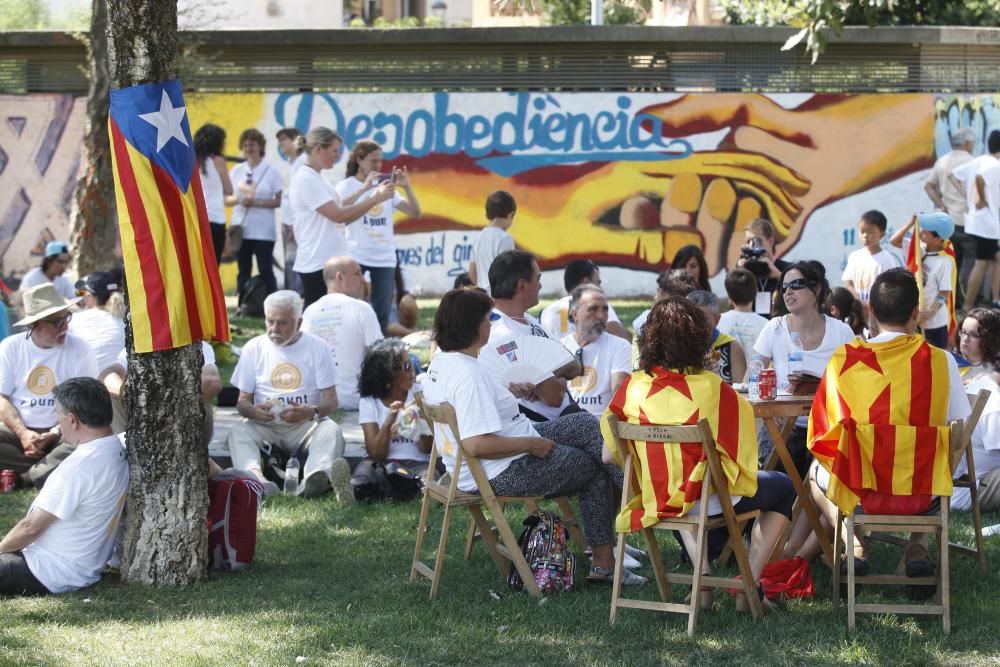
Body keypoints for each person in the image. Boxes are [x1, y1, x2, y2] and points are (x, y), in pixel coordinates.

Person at [423, 288, 644, 585]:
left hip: (495, 455)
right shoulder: (468, 376)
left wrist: (511, 392)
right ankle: (614, 546)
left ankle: (635, 491)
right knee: (593, 468)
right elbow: (476, 444)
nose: (492, 324)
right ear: (474, 326)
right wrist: (532, 444)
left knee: (582, 424)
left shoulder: (442, 363)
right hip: (501, 468)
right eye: (487, 319)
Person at [601, 296, 794, 611]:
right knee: (783, 487)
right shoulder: (713, 388)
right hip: (707, 499)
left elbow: (610, 457)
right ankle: (749, 585)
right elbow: (741, 457)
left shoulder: (631, 389)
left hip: (658, 499)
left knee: (688, 492)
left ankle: (701, 579)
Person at [801, 268, 971, 580]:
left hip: (861, 495)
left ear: (871, 311)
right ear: (916, 313)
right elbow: (958, 426)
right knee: (932, 453)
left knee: (814, 470)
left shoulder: (843, 359)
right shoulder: (942, 360)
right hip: (925, 496)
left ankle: (854, 542)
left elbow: (824, 434)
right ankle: (917, 546)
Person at [0, 378, 127, 596]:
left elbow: (30, 527)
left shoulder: (80, 467)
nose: (56, 420)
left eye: (58, 414)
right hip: (78, 569)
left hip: (47, 570)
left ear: (73, 420)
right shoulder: (118, 447)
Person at [227, 291, 350, 500]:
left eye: (283, 323)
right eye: (270, 321)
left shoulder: (317, 347)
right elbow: (242, 402)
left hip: (304, 424)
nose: (274, 329)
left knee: (331, 430)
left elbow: (331, 400)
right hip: (265, 425)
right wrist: (253, 411)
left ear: (299, 322)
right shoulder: (254, 348)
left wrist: (311, 411)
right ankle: (257, 480)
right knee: (237, 431)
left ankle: (314, 477)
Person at [752, 262, 856, 478]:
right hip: (780, 427)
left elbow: (856, 383)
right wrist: (769, 407)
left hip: (828, 428)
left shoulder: (841, 332)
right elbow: (753, 376)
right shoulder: (774, 328)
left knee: (825, 486)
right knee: (775, 484)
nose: (788, 291)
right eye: (784, 287)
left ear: (816, 289)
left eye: (796, 285)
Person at [0, 284, 98, 489]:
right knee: (79, 458)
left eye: (66, 318)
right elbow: (2, 398)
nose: (65, 326)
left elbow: (84, 404)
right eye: (57, 322)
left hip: (62, 435)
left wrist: (53, 433)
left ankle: (25, 477)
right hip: (18, 434)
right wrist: (23, 433)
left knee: (90, 439)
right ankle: (47, 470)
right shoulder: (11, 347)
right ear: (35, 325)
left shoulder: (80, 349)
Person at [289, 127, 395, 308]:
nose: (337, 155)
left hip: (327, 260)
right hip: (317, 262)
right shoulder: (307, 179)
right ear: (318, 150)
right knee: (319, 319)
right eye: (334, 150)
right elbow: (338, 216)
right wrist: (375, 198)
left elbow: (340, 209)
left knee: (334, 317)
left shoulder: (318, 177)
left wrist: (364, 189)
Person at [336, 140, 422, 333]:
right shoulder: (347, 185)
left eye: (380, 161)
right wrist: (365, 189)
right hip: (356, 254)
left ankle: (379, 348)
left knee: (382, 311)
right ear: (359, 159)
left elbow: (415, 212)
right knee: (351, 305)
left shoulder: (385, 187)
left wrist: (406, 187)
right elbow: (338, 210)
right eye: (373, 161)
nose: (378, 166)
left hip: (384, 257)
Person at [488, 250, 582, 422]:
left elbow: (575, 365)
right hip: (544, 430)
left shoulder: (528, 320)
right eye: (538, 279)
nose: (540, 286)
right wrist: (559, 374)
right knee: (607, 441)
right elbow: (555, 396)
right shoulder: (505, 335)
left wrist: (548, 374)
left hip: (568, 416)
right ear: (522, 285)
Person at [352, 338, 434, 500]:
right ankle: (354, 490)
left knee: (428, 475)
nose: (412, 370)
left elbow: (427, 449)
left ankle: (429, 493)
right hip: (382, 463)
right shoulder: (370, 401)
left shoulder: (422, 394)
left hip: (417, 462)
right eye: (405, 366)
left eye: (411, 362)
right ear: (387, 375)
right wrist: (389, 422)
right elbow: (376, 453)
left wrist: (422, 420)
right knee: (365, 472)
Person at [300, 256, 383, 411]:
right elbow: (382, 357)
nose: (363, 280)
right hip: (356, 400)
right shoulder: (361, 308)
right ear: (340, 277)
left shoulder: (309, 312)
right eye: (357, 273)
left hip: (318, 401)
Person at [101, 341, 221, 446]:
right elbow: (106, 375)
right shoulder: (141, 344)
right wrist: (133, 395)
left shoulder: (197, 345)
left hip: (180, 424)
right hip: (142, 419)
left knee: (200, 397)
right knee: (113, 397)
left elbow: (211, 381)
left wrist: (167, 406)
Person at [226, 128, 284, 299]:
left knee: (265, 268)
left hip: (263, 231)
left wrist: (257, 202)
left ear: (260, 146)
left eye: (251, 145)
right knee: (243, 270)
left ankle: (273, 303)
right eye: (244, 145)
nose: (248, 149)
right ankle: (243, 304)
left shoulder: (272, 171)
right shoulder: (237, 170)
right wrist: (239, 200)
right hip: (241, 229)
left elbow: (279, 200)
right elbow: (227, 198)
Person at [953, 308, 1000, 512]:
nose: (965, 339)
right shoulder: (987, 386)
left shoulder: (988, 377)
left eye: (973, 335)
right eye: (963, 332)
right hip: (966, 484)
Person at [889, 212, 957, 349]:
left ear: (938, 239)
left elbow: (944, 292)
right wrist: (910, 223)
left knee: (936, 359)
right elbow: (894, 241)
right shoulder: (918, 250)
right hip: (916, 320)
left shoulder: (944, 261)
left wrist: (929, 313)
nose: (922, 231)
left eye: (926, 231)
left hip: (935, 323)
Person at [561, 286, 632, 417]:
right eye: (592, 309)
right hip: (566, 424)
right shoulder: (559, 346)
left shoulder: (620, 346)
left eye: (605, 310)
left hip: (602, 427)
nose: (601, 316)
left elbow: (618, 394)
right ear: (575, 314)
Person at [952, 130, 1000, 310]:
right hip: (985, 223)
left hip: (978, 222)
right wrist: (979, 199)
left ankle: (995, 300)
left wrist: (967, 197)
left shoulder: (978, 160)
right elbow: (980, 178)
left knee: (995, 258)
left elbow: (953, 175)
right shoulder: (994, 165)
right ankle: (968, 305)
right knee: (981, 263)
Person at [925, 128, 976, 288]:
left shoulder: (942, 161)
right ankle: (969, 297)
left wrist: (941, 204)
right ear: (967, 143)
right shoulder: (972, 161)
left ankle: (952, 300)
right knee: (971, 259)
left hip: (947, 221)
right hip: (967, 220)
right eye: (972, 143)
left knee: (952, 259)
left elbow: (928, 186)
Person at [539, 259, 630, 341]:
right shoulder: (598, 305)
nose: (600, 288)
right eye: (597, 283)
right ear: (586, 282)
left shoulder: (546, 312)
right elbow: (622, 337)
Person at [67, 272, 125, 374]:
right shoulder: (126, 322)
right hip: (116, 381)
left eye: (82, 292)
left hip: (84, 381)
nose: (81, 296)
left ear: (90, 295)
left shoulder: (74, 319)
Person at [193, 123, 233, 265]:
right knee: (213, 265)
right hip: (215, 219)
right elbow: (229, 190)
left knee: (197, 264)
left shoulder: (193, 161)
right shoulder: (218, 161)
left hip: (197, 219)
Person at [687, 290, 748, 385]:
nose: (695, 325)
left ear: (717, 319)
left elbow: (740, 391)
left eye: (703, 320)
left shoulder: (730, 347)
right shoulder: (679, 345)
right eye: (690, 319)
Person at [735, 218, 791, 318]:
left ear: (770, 241)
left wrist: (778, 275)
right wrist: (740, 273)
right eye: (748, 242)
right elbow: (733, 301)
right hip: (751, 325)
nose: (752, 246)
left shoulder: (787, 269)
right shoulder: (744, 268)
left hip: (779, 324)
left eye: (757, 241)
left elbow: (798, 292)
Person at [841, 210, 901, 305]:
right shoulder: (854, 256)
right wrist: (860, 302)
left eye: (870, 232)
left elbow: (889, 289)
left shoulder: (887, 259)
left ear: (882, 233)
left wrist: (872, 306)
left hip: (877, 313)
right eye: (862, 232)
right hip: (857, 312)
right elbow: (849, 284)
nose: (865, 236)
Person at [276, 127, 307, 294]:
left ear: (295, 140)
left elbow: (300, 197)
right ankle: (291, 297)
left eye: (284, 139)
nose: (280, 143)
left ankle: (296, 298)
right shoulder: (292, 163)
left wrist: (295, 224)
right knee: (289, 263)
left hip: (295, 223)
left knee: (294, 263)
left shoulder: (302, 161)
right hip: (287, 221)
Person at [468, 190, 516, 291]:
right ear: (510, 215)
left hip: (482, 297)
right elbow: (508, 272)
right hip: (500, 298)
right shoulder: (505, 238)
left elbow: (472, 272)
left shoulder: (479, 237)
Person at [718, 268, 768, 357]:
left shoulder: (718, 320)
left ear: (729, 295)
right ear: (756, 291)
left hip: (725, 371)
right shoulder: (766, 324)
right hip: (757, 370)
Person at [631, 268, 697, 334]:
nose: (655, 297)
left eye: (658, 290)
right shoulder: (697, 321)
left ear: (669, 295)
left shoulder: (647, 320)